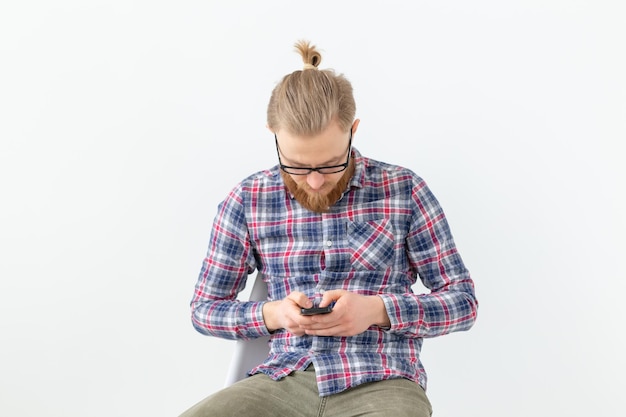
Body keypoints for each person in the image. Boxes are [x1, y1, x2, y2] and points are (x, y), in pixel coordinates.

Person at [180, 40, 478, 417]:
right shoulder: (247, 199)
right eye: (298, 166)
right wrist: (275, 315)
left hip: (382, 379)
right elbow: (205, 309)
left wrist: (376, 310)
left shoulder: (404, 190)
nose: (316, 182)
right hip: (284, 378)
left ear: (353, 130)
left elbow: (463, 302)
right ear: (273, 133)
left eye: (331, 164)